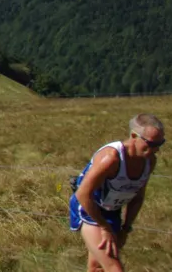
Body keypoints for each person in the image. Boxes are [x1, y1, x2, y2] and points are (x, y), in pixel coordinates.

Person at [69, 114, 165, 272]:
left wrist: (126, 228)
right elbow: (83, 194)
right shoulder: (111, 158)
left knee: (96, 267)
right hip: (88, 208)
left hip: (112, 211)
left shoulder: (149, 160)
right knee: (114, 267)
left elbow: (138, 197)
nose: (156, 149)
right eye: (151, 144)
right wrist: (104, 228)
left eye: (160, 143)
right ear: (134, 136)